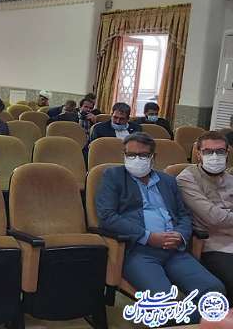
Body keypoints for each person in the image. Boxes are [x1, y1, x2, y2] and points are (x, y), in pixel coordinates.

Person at [95, 132, 225, 323]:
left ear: (153, 157)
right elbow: (107, 217)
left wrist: (180, 235)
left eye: (143, 155)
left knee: (214, 291)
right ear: (124, 155)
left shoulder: (167, 181)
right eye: (131, 155)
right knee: (164, 303)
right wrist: (148, 237)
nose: (136, 159)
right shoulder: (113, 176)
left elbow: (183, 215)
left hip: (175, 250)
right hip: (139, 251)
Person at [177, 131, 233, 303]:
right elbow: (214, 218)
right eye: (208, 151)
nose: (214, 156)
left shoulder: (230, 178)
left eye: (220, 151)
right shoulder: (187, 178)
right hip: (213, 245)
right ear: (198, 154)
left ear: (227, 153)